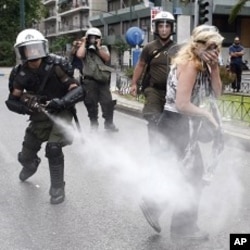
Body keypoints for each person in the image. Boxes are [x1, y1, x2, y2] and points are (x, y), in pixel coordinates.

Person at [139, 25, 224, 241]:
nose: (216, 51)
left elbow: (217, 93)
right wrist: (205, 115)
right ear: (198, 46)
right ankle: (182, 228)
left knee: (185, 174)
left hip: (184, 125)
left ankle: (154, 205)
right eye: (211, 47)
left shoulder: (205, 63)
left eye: (218, 47)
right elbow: (182, 104)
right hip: (175, 123)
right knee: (192, 176)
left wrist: (215, 69)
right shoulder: (190, 65)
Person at [5, 29, 85, 205]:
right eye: (28, 49)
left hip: (61, 110)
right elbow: (12, 101)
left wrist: (61, 102)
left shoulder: (57, 65)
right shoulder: (20, 73)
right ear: (22, 52)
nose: (33, 53)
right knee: (25, 155)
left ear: (43, 47)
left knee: (53, 147)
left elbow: (78, 90)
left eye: (36, 48)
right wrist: (27, 107)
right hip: (39, 115)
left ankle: (57, 187)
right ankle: (30, 164)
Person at [130, 11, 176, 152]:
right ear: (156, 28)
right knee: (153, 118)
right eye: (160, 26)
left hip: (172, 92)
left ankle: (169, 149)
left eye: (167, 26)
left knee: (171, 123)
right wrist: (133, 84)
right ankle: (155, 150)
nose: (163, 29)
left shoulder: (177, 48)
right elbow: (141, 65)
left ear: (171, 28)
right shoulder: (149, 47)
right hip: (154, 89)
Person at [76, 27, 118, 132]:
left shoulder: (103, 48)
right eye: (91, 37)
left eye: (96, 38)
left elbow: (107, 58)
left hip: (102, 81)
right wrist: (84, 42)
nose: (93, 39)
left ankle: (109, 123)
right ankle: (93, 124)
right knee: (91, 103)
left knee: (108, 102)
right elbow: (79, 55)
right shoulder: (84, 49)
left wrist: (98, 47)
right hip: (89, 81)